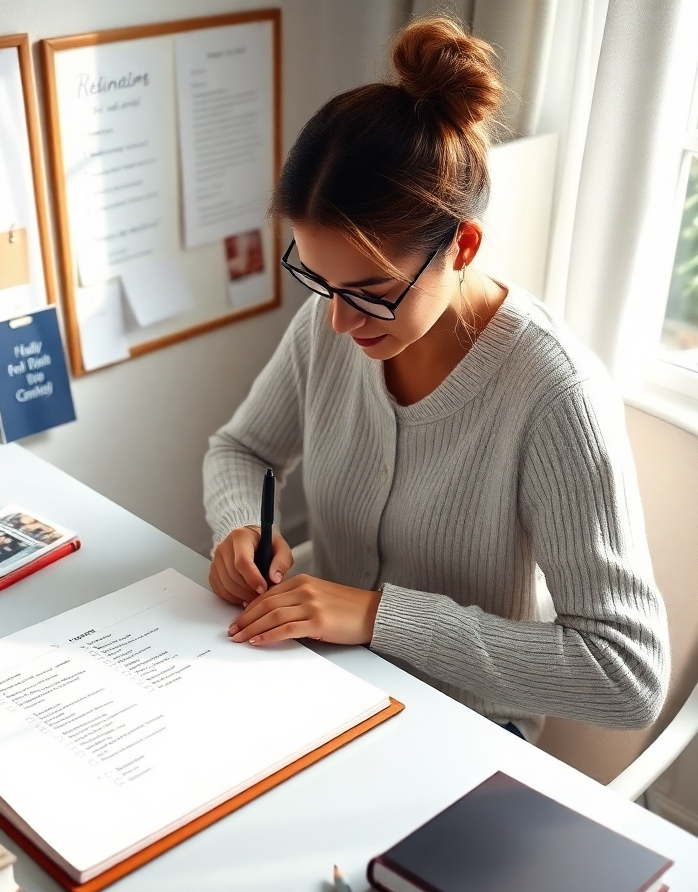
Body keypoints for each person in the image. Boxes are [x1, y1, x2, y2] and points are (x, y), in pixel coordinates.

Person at [202, 16, 670, 743]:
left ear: (464, 244)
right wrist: (238, 524)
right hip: (323, 685)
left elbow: (626, 671)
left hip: (467, 731)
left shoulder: (553, 395)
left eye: (371, 289)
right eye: (317, 279)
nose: (337, 322)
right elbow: (241, 449)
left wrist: (375, 616)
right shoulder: (337, 319)